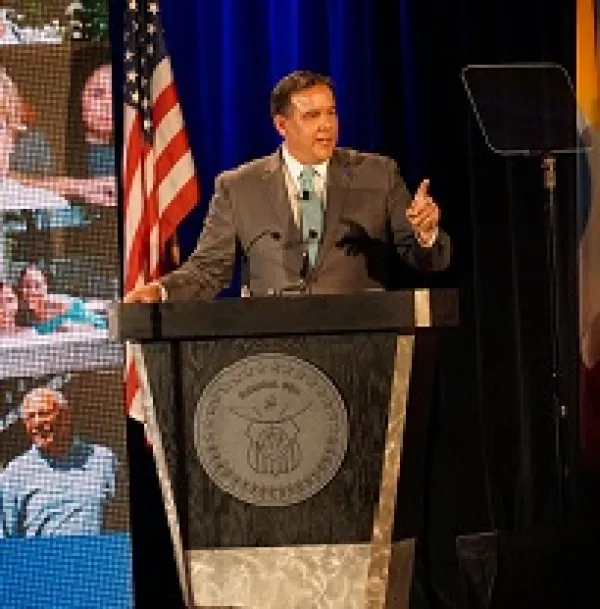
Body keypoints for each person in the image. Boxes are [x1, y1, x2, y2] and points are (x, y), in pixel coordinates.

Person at [125, 70, 451, 303]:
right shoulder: (238, 187)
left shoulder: (378, 174)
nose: (326, 125)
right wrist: (161, 291)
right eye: (312, 116)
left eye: (331, 113)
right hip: (274, 352)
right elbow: (208, 271)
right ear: (281, 125)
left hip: (360, 341)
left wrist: (426, 234)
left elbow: (426, 260)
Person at [0, 387, 117, 537]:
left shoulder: (103, 460)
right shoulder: (14, 474)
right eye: (30, 417)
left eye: (43, 414)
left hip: (98, 557)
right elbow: (6, 542)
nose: (37, 423)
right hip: (43, 559)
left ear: (66, 416)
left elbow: (123, 518)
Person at [17, 264, 107, 334]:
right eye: (27, 286)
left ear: (46, 287)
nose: (32, 291)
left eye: (38, 286)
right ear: (20, 288)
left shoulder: (66, 305)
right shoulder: (18, 313)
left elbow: (101, 327)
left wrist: (77, 328)